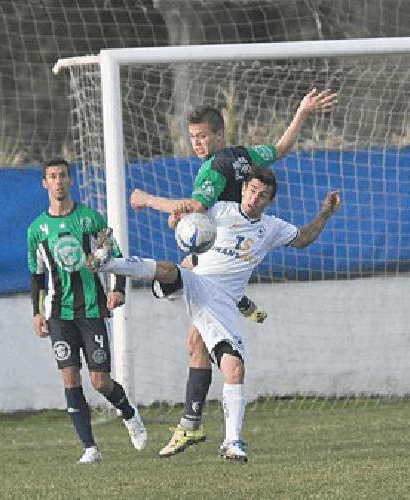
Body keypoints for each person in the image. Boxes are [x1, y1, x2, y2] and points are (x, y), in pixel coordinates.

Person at [128, 88, 338, 457]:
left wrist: (146, 200)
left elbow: (195, 205)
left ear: (219, 134)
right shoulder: (247, 156)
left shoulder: (214, 167)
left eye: (202, 136)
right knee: (195, 341)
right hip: (227, 252)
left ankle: (198, 425)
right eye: (192, 138)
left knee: (186, 307)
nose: (196, 144)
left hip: (219, 252)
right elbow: (281, 148)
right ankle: (192, 424)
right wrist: (302, 111)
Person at [87, 166, 341, 462]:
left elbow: (303, 239)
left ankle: (232, 442)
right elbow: (186, 210)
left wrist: (325, 214)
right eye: (252, 190)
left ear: (269, 202)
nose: (254, 198)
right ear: (244, 188)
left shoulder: (271, 228)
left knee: (234, 368)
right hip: (197, 281)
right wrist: (162, 210)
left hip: (220, 303)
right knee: (171, 269)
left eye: (263, 195)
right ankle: (107, 263)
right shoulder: (220, 210)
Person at [27, 158, 148, 463]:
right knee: (69, 378)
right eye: (52, 177)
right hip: (58, 314)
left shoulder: (90, 219)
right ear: (44, 183)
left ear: (70, 181)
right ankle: (90, 448)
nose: (57, 181)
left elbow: (116, 254)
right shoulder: (36, 230)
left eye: (62, 176)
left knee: (100, 381)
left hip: (91, 310)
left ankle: (129, 414)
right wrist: (37, 312)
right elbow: (36, 274)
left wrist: (118, 288)